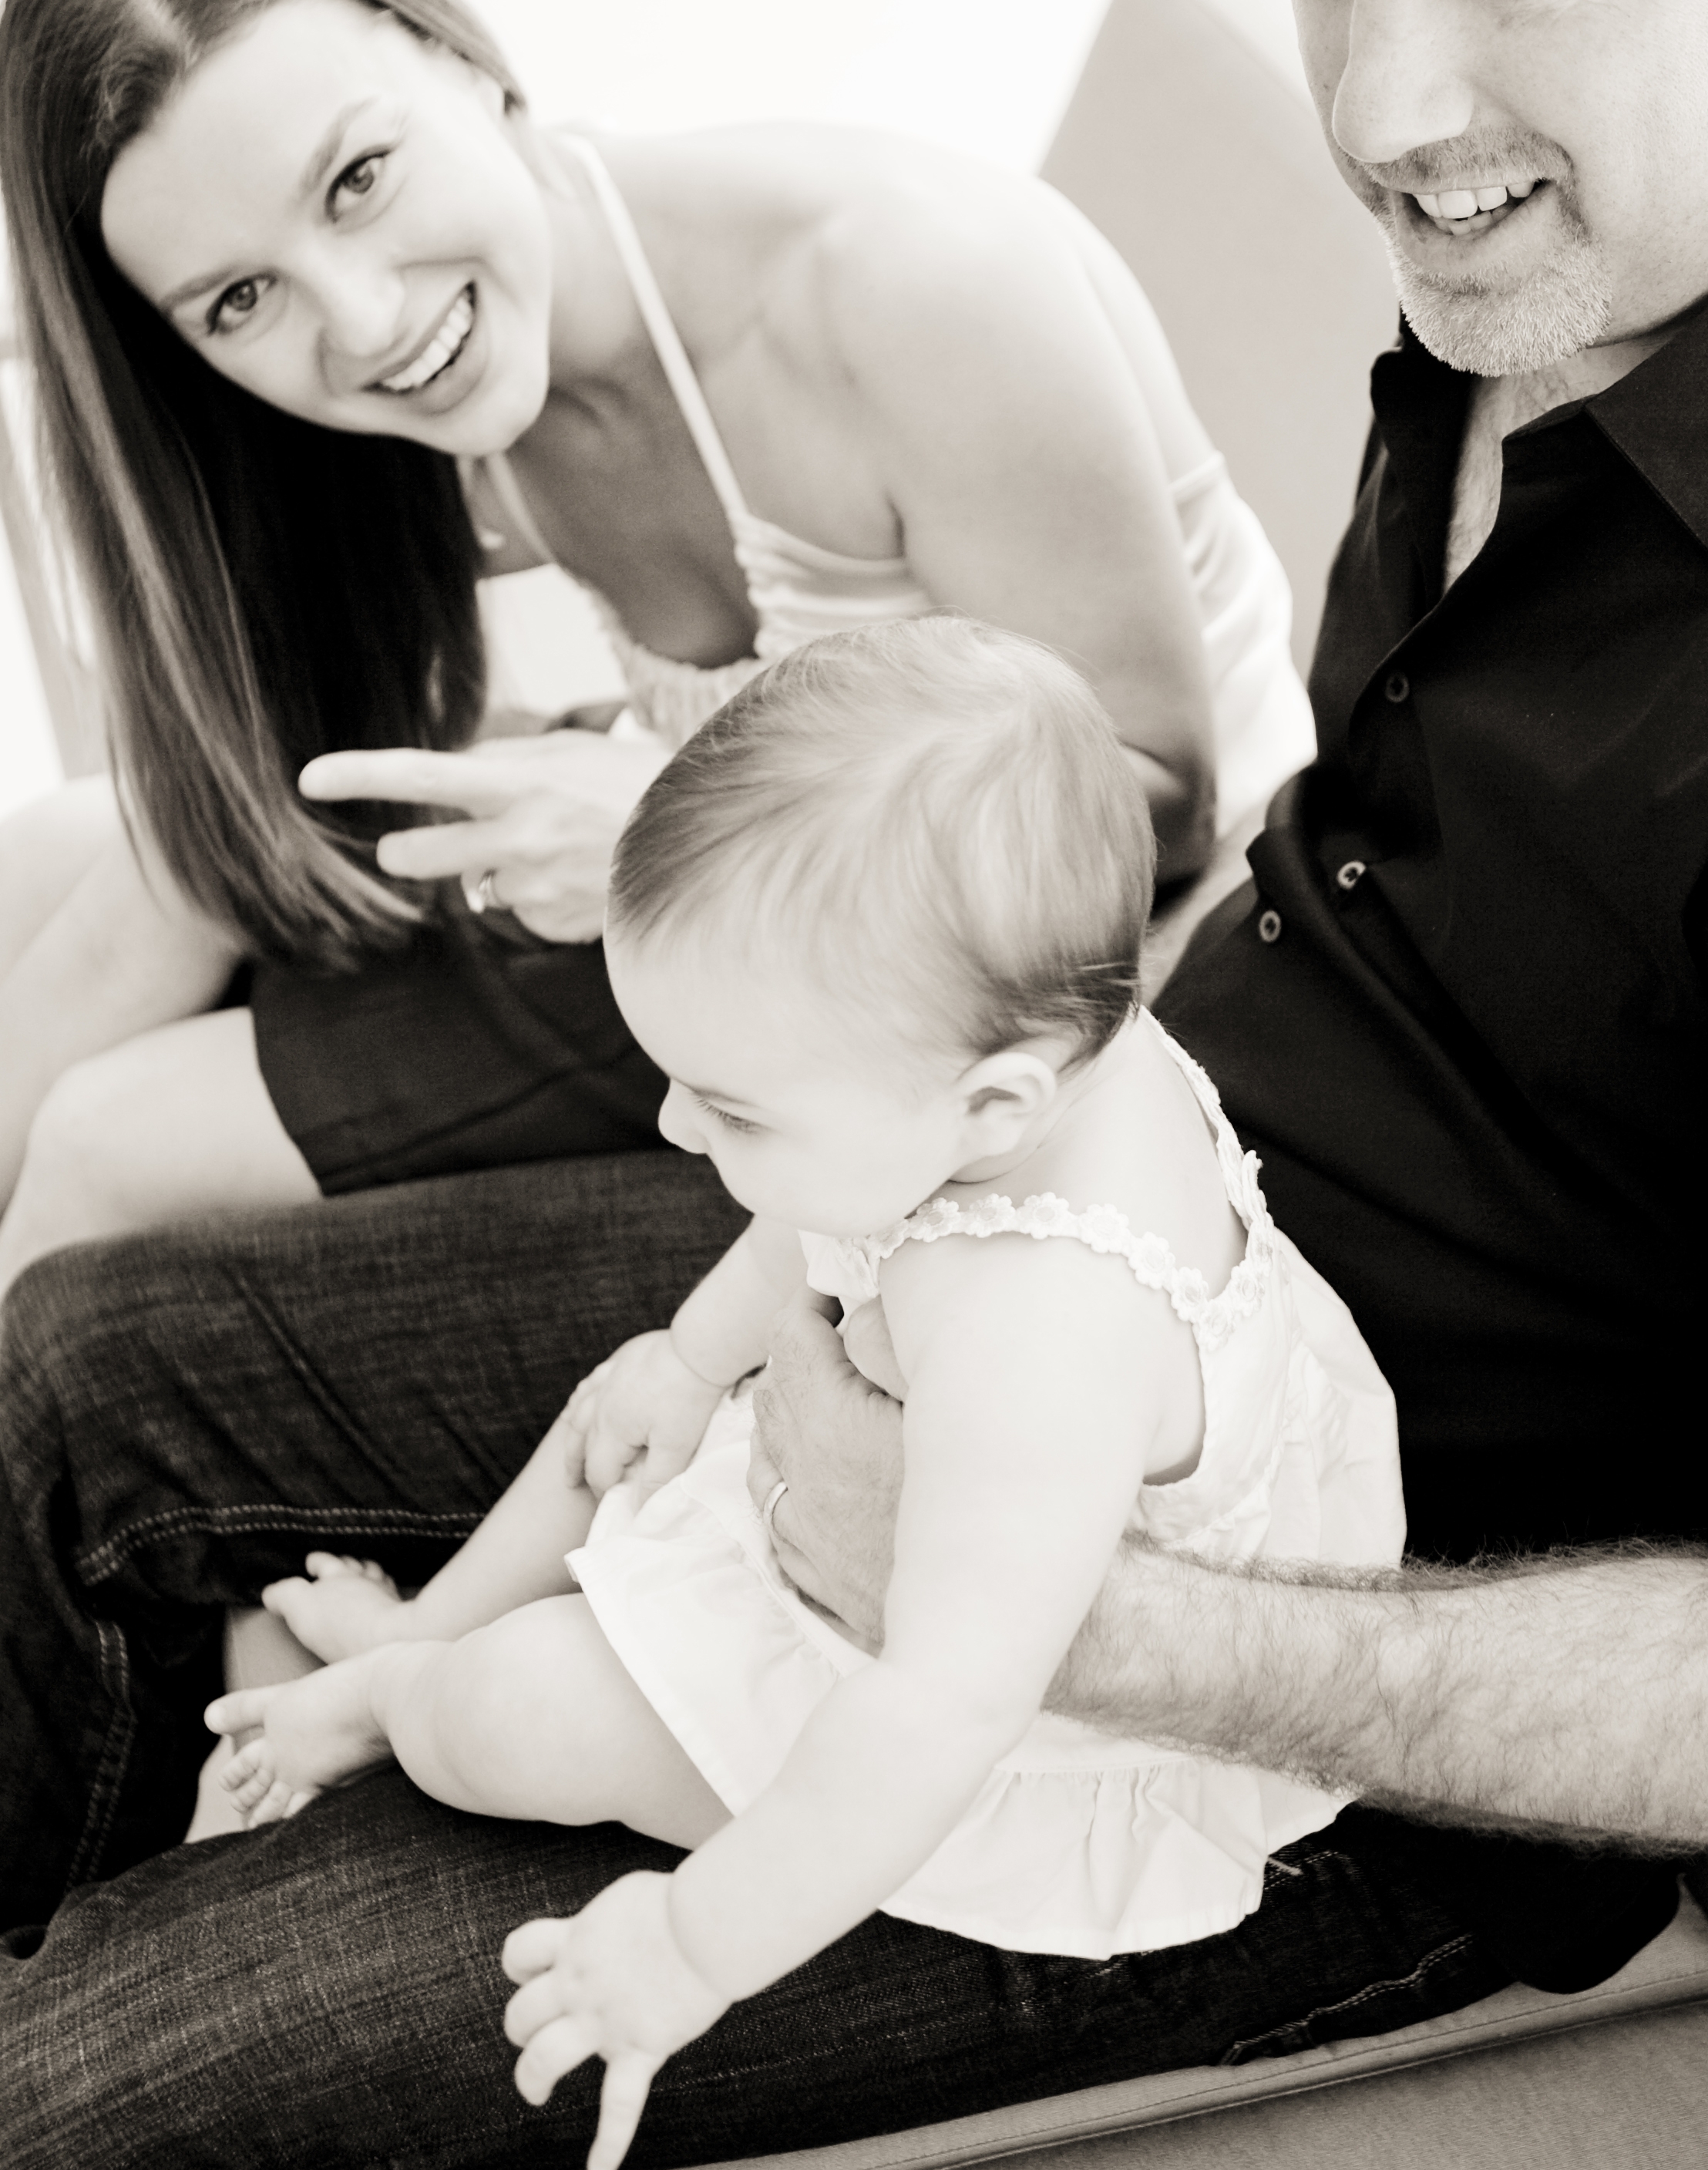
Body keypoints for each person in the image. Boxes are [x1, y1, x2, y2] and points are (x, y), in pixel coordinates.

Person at [4, 0, 1708, 2170]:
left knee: (75, 2081)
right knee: (76, 1363)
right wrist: (780, 1316)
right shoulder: (1520, 297)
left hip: (1282, 1711)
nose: (1387, 105)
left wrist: (1089, 1620)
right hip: (1027, 1177)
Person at [201, 621, 1403, 2170]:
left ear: (994, 1103)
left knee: (515, 1714)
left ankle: (402, 1700)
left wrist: (692, 1944)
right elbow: (822, 1221)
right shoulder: (1003, 1062)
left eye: (729, 1105)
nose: (668, 1124)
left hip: (1000, 1714)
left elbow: (938, 1710)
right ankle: (421, 1626)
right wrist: (693, 1358)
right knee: (624, 1406)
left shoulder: (1042, 1337)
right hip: (905, 1471)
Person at [0, 0, 1313, 1291]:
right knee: (48, 857)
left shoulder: (907, 282)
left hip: (1044, 968)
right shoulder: (448, 372)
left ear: (463, 59)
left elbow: (1153, 809)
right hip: (754, 903)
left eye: (358, 179)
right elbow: (226, 818)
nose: (361, 322)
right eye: (239, 298)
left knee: (103, 1145)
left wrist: (662, 819)